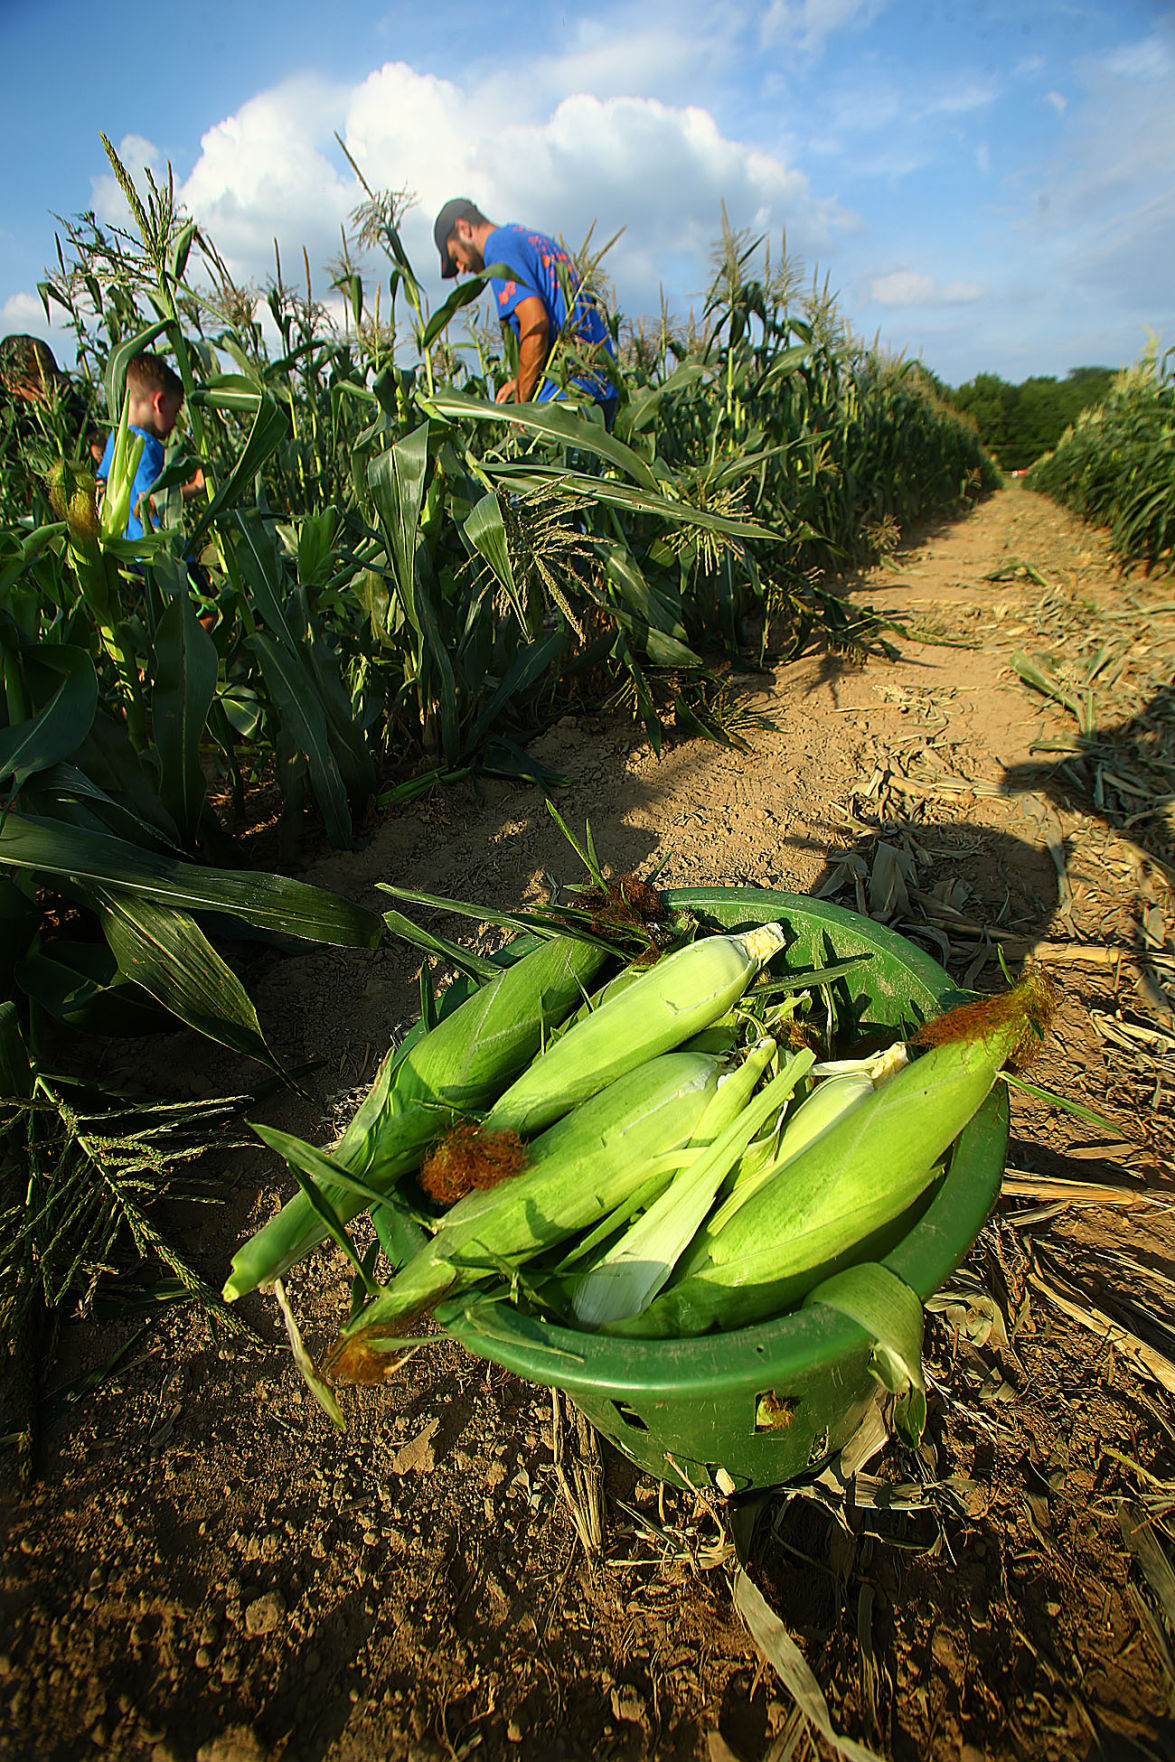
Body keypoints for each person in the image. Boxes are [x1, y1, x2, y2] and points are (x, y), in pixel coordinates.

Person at [433, 198, 619, 429]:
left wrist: (520, 408)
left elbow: (536, 326)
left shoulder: (497, 249)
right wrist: (520, 381)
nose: (461, 268)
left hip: (565, 397)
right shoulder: (531, 239)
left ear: (464, 229)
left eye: (455, 257)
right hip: (599, 390)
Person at [95, 351, 203, 540]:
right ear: (159, 403)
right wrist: (197, 486)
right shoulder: (144, 445)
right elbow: (154, 501)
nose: (176, 422)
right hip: (156, 554)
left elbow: (100, 486)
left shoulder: (116, 438)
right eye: (175, 411)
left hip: (129, 552)